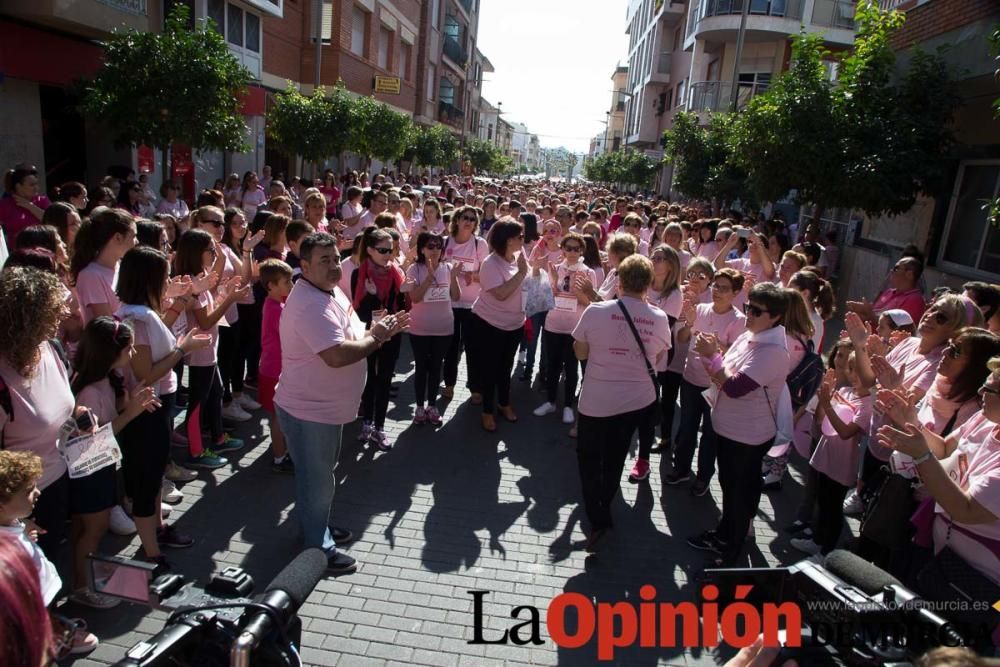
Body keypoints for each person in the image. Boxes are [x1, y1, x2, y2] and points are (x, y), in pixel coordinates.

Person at [274, 232, 408, 574]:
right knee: (316, 481)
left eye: (336, 259)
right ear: (303, 266)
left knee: (320, 479)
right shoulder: (308, 303)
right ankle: (317, 548)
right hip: (310, 411)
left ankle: (315, 527)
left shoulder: (330, 291)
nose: (335, 266)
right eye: (324, 261)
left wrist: (377, 329)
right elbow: (335, 355)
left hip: (324, 410)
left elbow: (354, 330)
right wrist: (377, 337)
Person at [117, 247, 211, 571]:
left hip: (159, 404)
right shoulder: (135, 318)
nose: (169, 281)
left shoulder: (142, 313)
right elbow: (145, 373)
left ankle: (158, 528)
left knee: (155, 472)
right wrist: (182, 349)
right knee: (146, 478)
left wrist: (179, 306)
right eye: (164, 276)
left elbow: (161, 336)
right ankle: (151, 552)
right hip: (147, 409)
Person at [688, 283, 791, 566]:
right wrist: (715, 356)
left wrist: (711, 355)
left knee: (737, 492)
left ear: (776, 317)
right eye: (749, 307)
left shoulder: (772, 351)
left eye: (757, 311)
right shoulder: (751, 336)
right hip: (730, 429)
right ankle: (724, 533)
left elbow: (734, 386)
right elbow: (727, 368)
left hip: (747, 437)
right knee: (731, 486)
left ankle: (730, 548)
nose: (749, 314)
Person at [572, 255, 670, 552]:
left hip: (596, 399)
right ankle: (604, 506)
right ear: (649, 284)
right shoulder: (659, 318)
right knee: (615, 458)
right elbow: (661, 361)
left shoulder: (596, 311)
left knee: (589, 459)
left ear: (621, 281)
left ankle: (598, 517)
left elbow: (579, 353)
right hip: (635, 401)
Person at [68, 317, 160, 606]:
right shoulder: (89, 392)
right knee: (92, 529)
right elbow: (97, 440)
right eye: (129, 348)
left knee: (88, 529)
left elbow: (113, 410)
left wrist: (130, 400)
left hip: (102, 466)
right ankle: (83, 588)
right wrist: (131, 412)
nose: (133, 353)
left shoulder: (105, 381)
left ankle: (82, 578)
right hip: (90, 469)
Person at [174, 228, 251, 469]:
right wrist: (230, 299)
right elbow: (206, 321)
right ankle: (196, 452)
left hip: (210, 351)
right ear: (198, 253)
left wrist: (225, 294)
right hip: (200, 354)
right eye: (210, 250)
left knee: (216, 394)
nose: (213, 255)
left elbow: (209, 312)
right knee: (197, 404)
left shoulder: (202, 280)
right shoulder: (192, 284)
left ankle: (218, 438)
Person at [667, 268, 746, 495]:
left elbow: (737, 355)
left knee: (710, 435)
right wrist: (690, 325)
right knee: (687, 427)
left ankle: (703, 477)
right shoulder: (699, 309)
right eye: (715, 286)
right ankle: (681, 470)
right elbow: (682, 339)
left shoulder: (738, 320)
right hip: (690, 378)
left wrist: (716, 346)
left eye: (724, 288)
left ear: (736, 293)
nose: (717, 291)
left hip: (717, 385)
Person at [791, 356, 872, 556]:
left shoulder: (868, 405)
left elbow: (845, 432)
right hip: (824, 456)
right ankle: (817, 542)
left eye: (859, 371)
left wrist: (828, 405)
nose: (853, 374)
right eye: (851, 368)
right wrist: (824, 397)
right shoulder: (844, 391)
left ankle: (826, 551)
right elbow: (820, 421)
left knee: (833, 508)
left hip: (842, 465)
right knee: (822, 501)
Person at [628, 244, 683, 483]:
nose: (655, 260)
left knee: (648, 410)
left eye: (660, 258)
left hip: (656, 358)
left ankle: (643, 460)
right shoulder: (642, 285)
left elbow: (664, 327)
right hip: (629, 354)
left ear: (670, 265)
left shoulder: (674, 294)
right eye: (653, 256)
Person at [469, 218, 529, 432]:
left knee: (506, 367)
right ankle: (487, 411)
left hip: (515, 324)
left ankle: (504, 403)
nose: (523, 239)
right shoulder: (490, 264)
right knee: (490, 368)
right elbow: (502, 294)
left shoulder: (520, 257)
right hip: (489, 324)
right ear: (507, 239)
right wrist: (522, 273)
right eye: (519, 236)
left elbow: (527, 284)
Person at [351, 225, 407, 450]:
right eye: (383, 251)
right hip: (369, 333)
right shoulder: (359, 273)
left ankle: (380, 428)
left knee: (384, 379)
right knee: (369, 379)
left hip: (391, 332)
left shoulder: (396, 273)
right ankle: (367, 423)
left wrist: (405, 292)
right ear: (371, 250)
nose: (388, 256)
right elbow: (360, 312)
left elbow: (399, 306)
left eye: (391, 250)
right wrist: (372, 297)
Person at [533, 232, 596, 425]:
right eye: (568, 248)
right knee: (552, 366)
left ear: (582, 250)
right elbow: (545, 299)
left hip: (575, 328)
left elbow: (591, 304)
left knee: (571, 367)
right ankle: (551, 401)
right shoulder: (555, 268)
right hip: (553, 324)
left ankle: (568, 406)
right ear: (562, 249)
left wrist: (579, 293)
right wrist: (552, 284)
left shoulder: (588, 272)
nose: (572, 252)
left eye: (576, 249)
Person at [402, 232, 460, 426]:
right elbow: (415, 298)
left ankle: (432, 406)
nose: (435, 250)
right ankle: (419, 406)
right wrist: (429, 276)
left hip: (444, 328)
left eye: (438, 246)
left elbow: (456, 296)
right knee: (421, 368)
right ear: (421, 249)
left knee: (436, 367)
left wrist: (453, 278)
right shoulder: (414, 269)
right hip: (420, 328)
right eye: (430, 246)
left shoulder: (448, 267)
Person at [442, 206, 490, 401]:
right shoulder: (445, 242)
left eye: (472, 218)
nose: (468, 221)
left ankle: (475, 387)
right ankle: (449, 384)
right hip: (450, 303)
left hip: (473, 305)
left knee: (473, 347)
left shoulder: (480, 244)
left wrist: (474, 275)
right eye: (465, 217)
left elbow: (488, 274)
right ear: (457, 220)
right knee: (451, 347)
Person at [257, 259, 294, 473]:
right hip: (274, 371)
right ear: (271, 285)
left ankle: (282, 449)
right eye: (286, 282)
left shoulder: (276, 304)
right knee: (278, 417)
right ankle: (280, 458)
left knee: (279, 416)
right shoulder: (277, 309)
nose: (290, 285)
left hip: (273, 368)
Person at [70, 207, 136, 324]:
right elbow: (108, 325)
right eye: (133, 236)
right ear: (118, 237)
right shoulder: (90, 275)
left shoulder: (119, 266)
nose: (137, 242)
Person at [847, 255, 926, 326]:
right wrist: (862, 309)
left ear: (909, 274)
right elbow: (875, 313)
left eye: (896, 268)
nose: (891, 271)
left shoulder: (915, 301)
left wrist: (869, 313)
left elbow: (896, 330)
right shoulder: (889, 292)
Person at [0, 165, 49, 246]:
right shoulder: (5, 204)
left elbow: (51, 220)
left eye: (36, 184)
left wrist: (29, 205)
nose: (36, 188)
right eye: (32, 185)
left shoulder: (43, 200)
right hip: (18, 254)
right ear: (18, 186)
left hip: (43, 251)